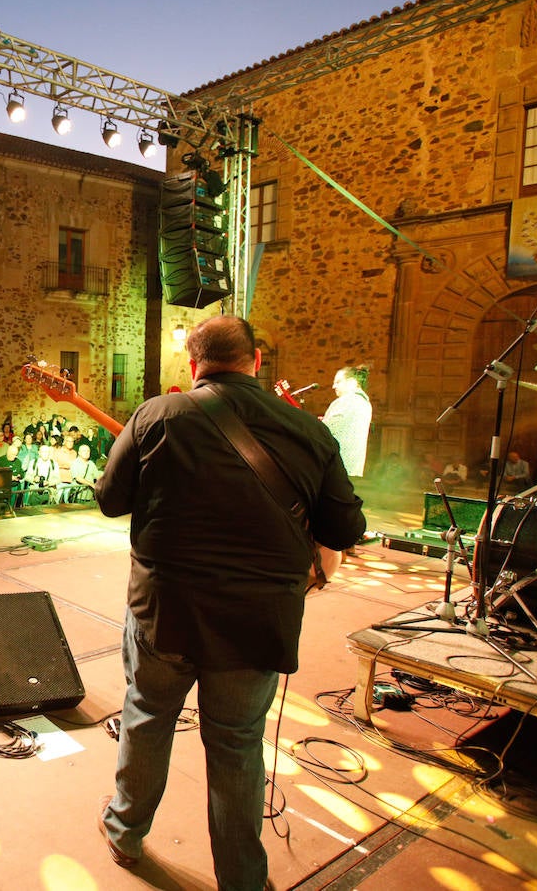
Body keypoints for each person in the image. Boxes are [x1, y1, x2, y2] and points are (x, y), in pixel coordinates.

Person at [96, 316, 365, 890]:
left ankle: (124, 833)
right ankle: (242, 879)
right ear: (256, 361)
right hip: (256, 622)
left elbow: (110, 500)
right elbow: (344, 531)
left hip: (166, 613)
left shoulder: (157, 415)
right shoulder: (311, 432)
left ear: (192, 364)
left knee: (146, 719)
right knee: (237, 746)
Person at [322, 364, 372, 477]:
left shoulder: (346, 401)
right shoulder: (365, 403)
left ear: (352, 382)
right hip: (353, 469)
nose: (333, 386)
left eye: (338, 382)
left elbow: (325, 431)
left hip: (336, 469)